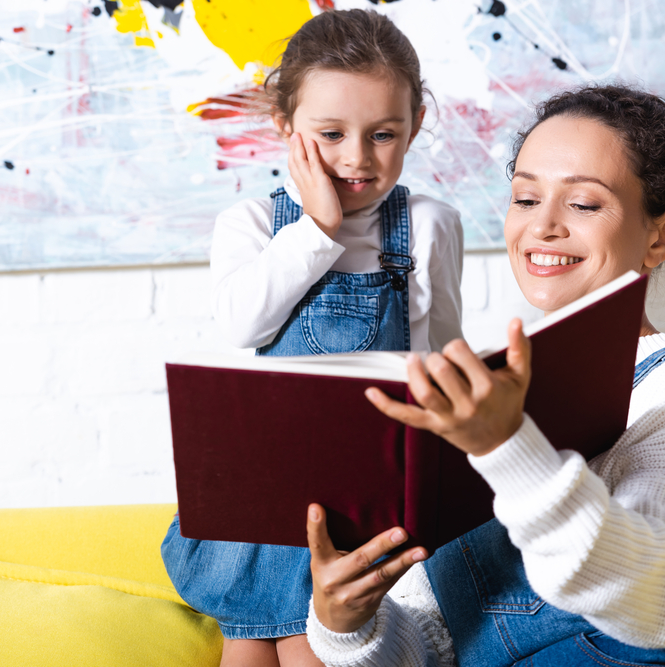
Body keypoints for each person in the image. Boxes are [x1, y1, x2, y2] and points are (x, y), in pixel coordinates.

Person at [303, 85, 665, 667]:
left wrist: (508, 448)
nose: (543, 227)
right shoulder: (468, 400)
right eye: (525, 199)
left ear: (662, 235)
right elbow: (433, 648)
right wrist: (347, 625)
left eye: (584, 204)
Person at [161, 9, 464, 667]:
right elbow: (245, 324)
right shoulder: (249, 224)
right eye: (330, 134)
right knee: (247, 642)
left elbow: (441, 355)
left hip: (365, 493)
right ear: (284, 126)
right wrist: (319, 229)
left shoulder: (428, 224)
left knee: (312, 647)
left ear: (414, 124)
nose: (356, 158)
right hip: (265, 495)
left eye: (383, 134)